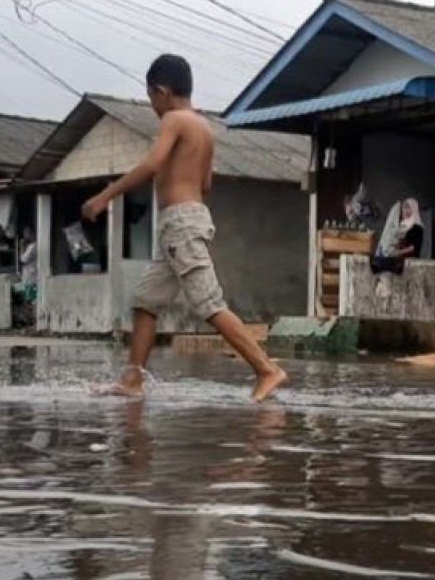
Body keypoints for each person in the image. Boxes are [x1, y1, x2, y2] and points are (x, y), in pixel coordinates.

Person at [82, 54, 286, 402]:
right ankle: (133, 380)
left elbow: (151, 165)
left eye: (151, 99)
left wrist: (106, 196)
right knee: (145, 302)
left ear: (161, 91)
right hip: (184, 222)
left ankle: (266, 369)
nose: (153, 108)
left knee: (208, 303)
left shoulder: (174, 120)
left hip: (181, 223)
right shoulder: (204, 128)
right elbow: (205, 183)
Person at [370, 198, 423, 274]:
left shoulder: (417, 227)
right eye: (405, 207)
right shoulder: (400, 224)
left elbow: (414, 248)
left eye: (409, 208)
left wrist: (399, 252)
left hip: (408, 263)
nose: (406, 211)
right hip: (395, 258)